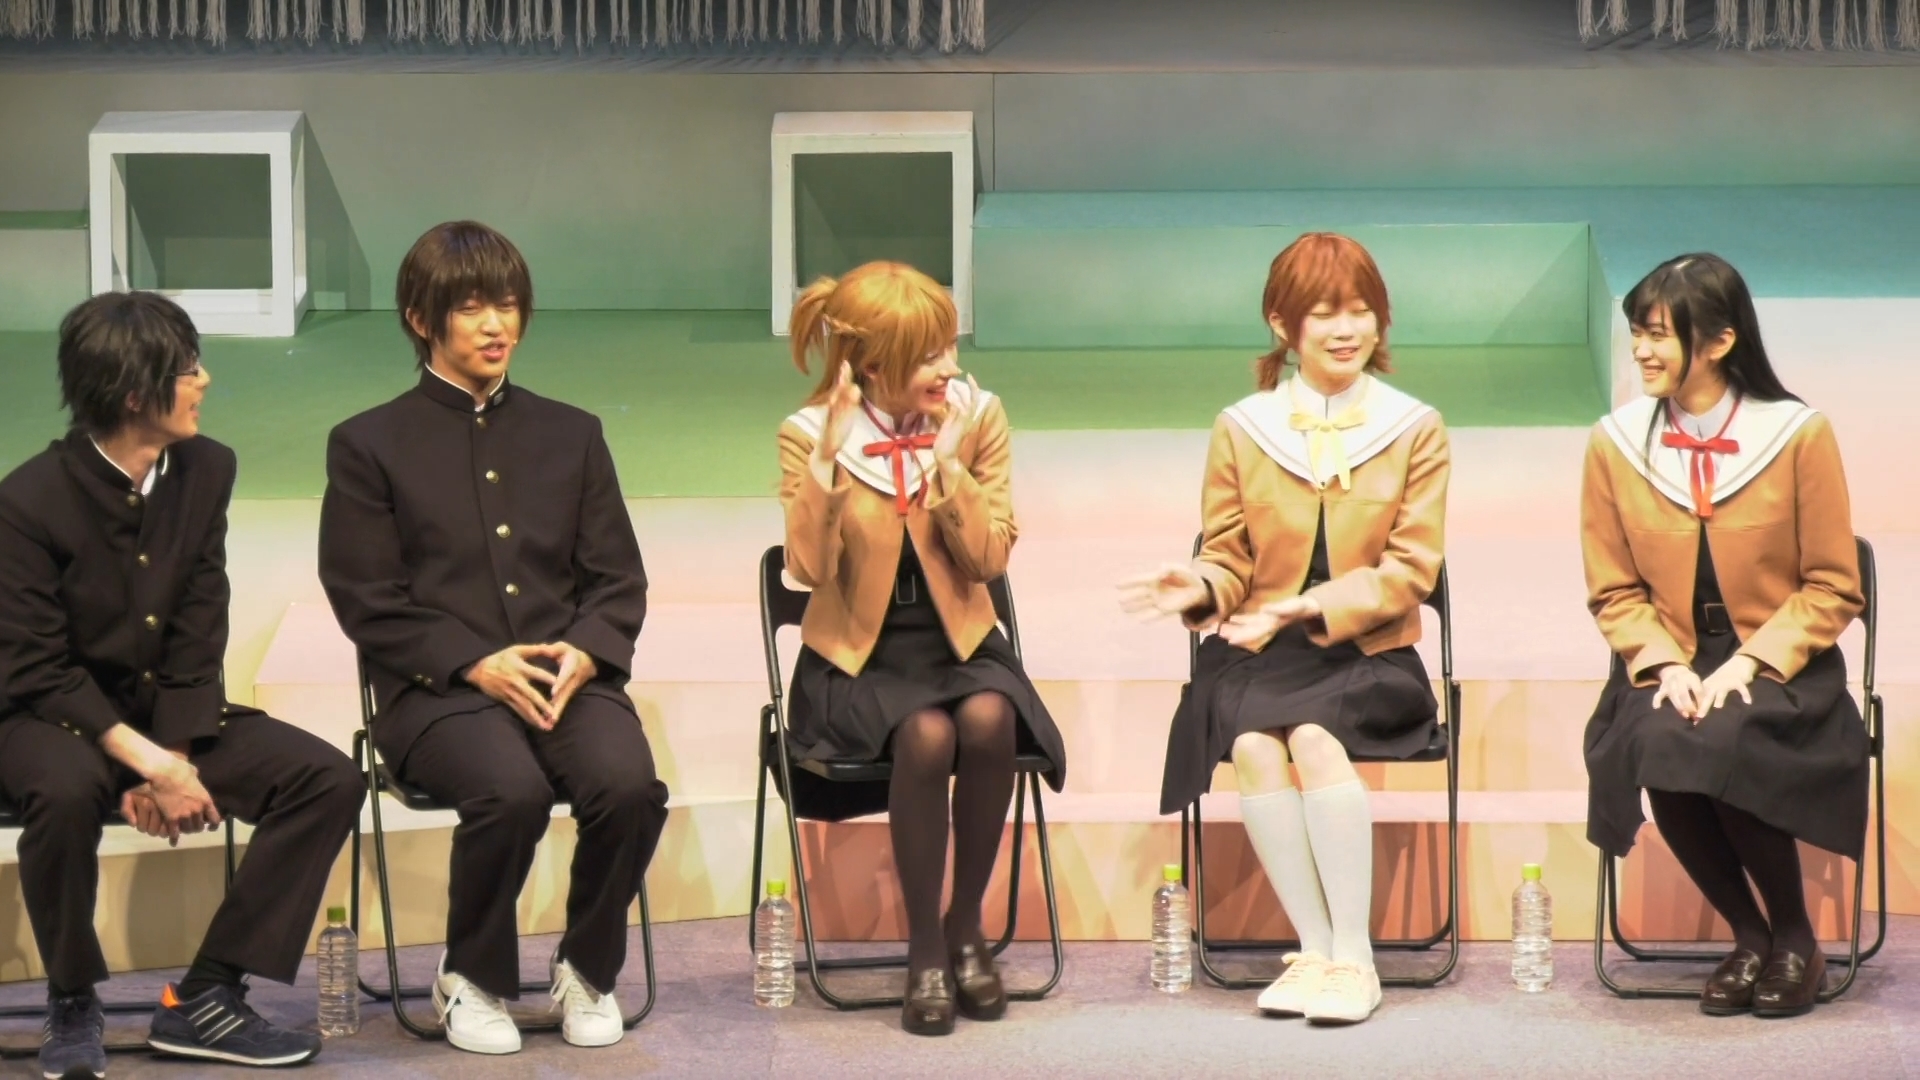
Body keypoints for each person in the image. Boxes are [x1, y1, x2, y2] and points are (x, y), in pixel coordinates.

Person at [319, 221, 669, 1055]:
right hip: (437, 691)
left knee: (629, 787)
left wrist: (588, 649)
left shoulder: (573, 432)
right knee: (509, 793)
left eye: (507, 305)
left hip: (563, 677)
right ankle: (469, 976)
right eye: (472, 307)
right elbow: (367, 597)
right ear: (421, 318)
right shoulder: (368, 444)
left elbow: (617, 578)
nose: (495, 324)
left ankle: (586, 967)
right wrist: (473, 662)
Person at [0, 292, 363, 1079]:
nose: (204, 381)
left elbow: (200, 622)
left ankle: (208, 995)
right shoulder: (27, 501)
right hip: (49, 719)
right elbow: (36, 667)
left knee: (327, 779)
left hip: (164, 714)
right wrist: (150, 764)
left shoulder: (206, 468)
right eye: (189, 369)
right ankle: (72, 997)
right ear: (136, 394)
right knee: (62, 792)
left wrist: (175, 753)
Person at [1121, 232, 1449, 1026]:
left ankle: (1356, 960)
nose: (1347, 329)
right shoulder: (1245, 427)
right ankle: (1316, 951)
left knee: (1312, 738)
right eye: (1325, 313)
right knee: (1255, 746)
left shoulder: (1414, 427)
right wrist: (1200, 585)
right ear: (1283, 324)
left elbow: (1412, 568)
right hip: (1261, 649)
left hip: (1370, 649)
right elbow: (1228, 555)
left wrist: (1317, 605)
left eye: (1361, 310)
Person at [776, 260, 1066, 1036]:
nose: (948, 367)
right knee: (928, 733)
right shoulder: (810, 435)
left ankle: (965, 926)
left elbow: (989, 558)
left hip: (958, 641)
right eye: (927, 355)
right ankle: (925, 950)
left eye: (948, 346)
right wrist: (828, 465)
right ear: (872, 365)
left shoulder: (978, 417)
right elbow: (807, 571)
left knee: (989, 719)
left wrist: (948, 464)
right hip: (858, 657)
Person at [1582, 253, 1866, 1018]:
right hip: (1670, 656)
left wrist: (1750, 661)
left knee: (1725, 736)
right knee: (1660, 738)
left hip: (1781, 658)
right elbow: (1614, 589)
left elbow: (1833, 584)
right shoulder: (1615, 443)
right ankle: (1749, 936)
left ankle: (1796, 938)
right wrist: (1661, 664)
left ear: (1718, 342)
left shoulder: (1796, 434)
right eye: (1636, 332)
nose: (1640, 350)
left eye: (1658, 334)